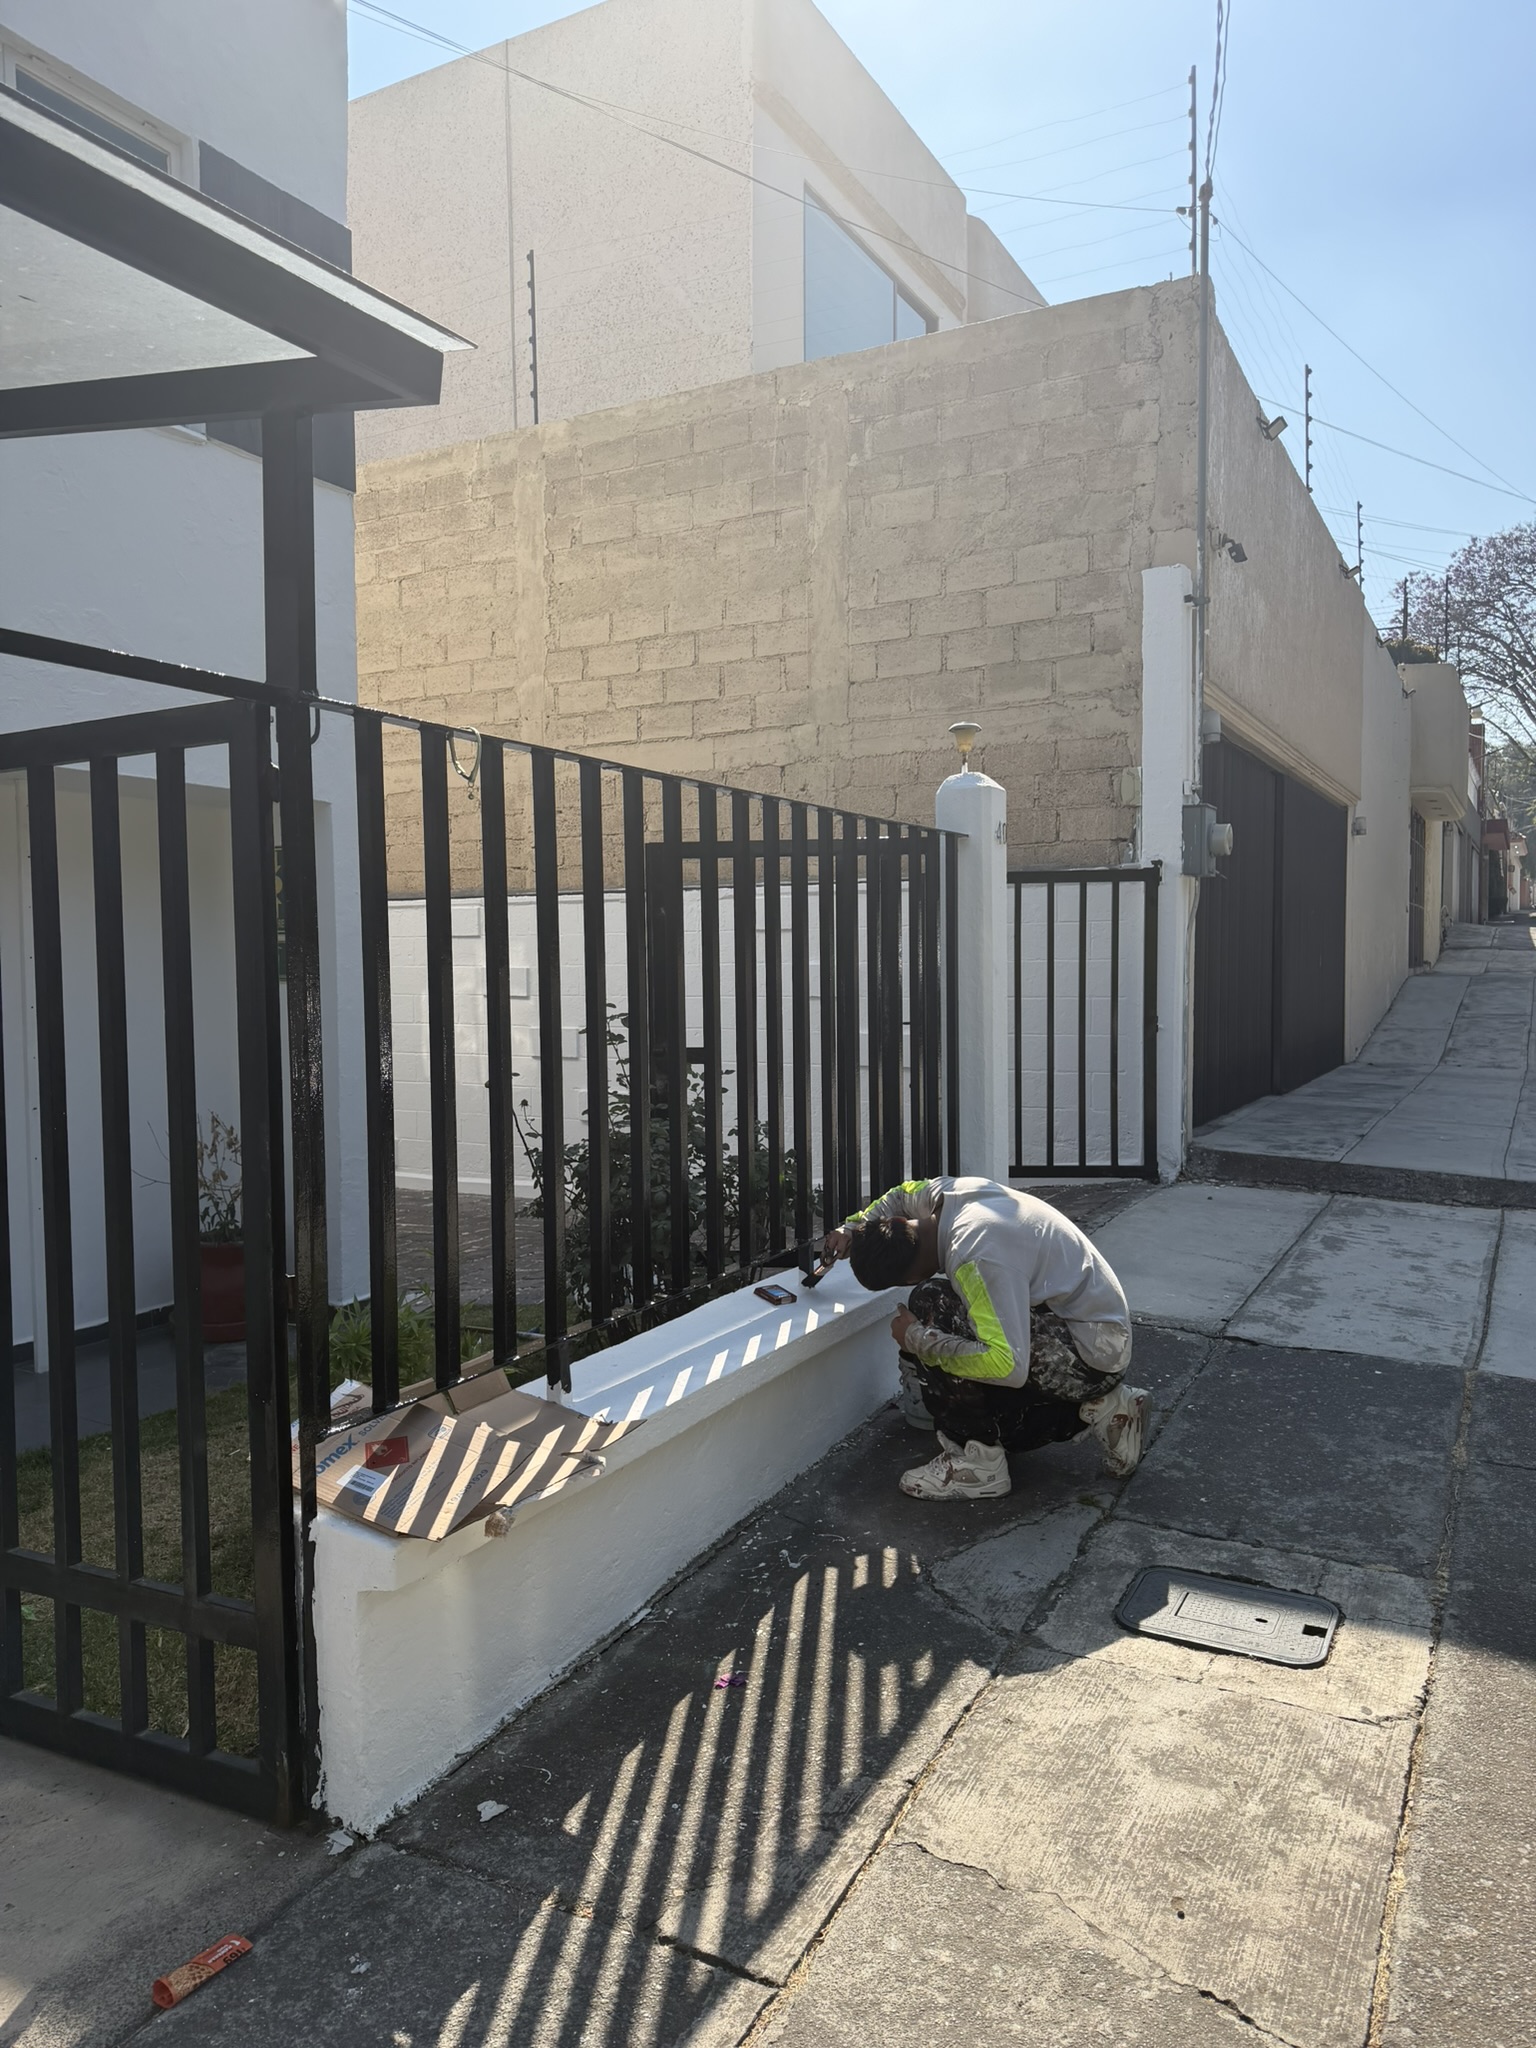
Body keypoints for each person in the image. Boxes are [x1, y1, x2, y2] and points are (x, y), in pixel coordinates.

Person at [824, 1176, 1146, 1502]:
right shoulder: (947, 1194)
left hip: (1089, 1358)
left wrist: (916, 1339)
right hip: (1088, 1330)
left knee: (931, 1309)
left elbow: (1008, 1365)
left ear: (910, 1276)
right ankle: (1105, 1408)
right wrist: (855, 1227)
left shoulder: (976, 1257)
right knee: (940, 1307)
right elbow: (898, 1193)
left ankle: (976, 1465)